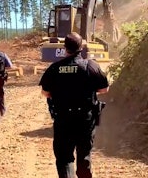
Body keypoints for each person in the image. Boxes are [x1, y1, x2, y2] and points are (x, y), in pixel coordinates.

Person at [39, 32, 109, 178]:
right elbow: (104, 89)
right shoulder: (90, 66)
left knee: (64, 159)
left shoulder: (54, 68)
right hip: (85, 120)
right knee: (84, 156)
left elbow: (45, 92)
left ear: (65, 48)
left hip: (63, 119)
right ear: (81, 47)